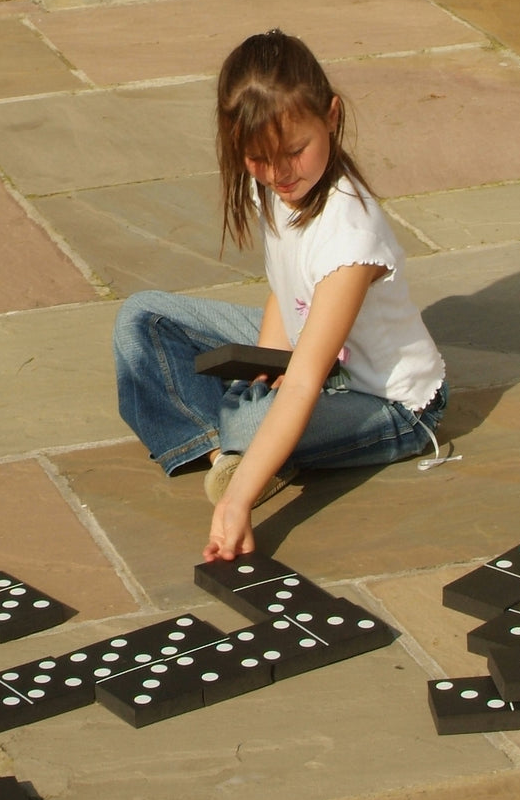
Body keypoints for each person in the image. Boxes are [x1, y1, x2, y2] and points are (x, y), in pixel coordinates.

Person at [112, 29, 447, 563]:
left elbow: (307, 381)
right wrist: (261, 367)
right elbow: (283, 286)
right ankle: (233, 448)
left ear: (332, 117)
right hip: (305, 351)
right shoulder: (273, 181)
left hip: (386, 404)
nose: (280, 174)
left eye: (295, 151)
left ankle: (241, 458)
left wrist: (241, 501)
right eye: (258, 159)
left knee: (266, 412)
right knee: (141, 319)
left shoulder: (350, 236)